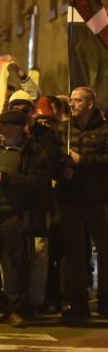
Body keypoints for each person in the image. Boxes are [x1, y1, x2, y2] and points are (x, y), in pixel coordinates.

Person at [0, 110, 51, 327]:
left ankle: (16, 309)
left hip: (15, 215)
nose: (1, 129)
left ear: (18, 128)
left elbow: (39, 182)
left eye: (6, 126)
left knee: (17, 265)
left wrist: (8, 179)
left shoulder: (33, 151)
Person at [59, 87, 108, 323]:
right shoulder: (65, 130)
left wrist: (82, 161)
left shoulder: (105, 129)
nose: (72, 104)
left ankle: (105, 301)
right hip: (72, 198)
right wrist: (63, 169)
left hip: (99, 197)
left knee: (104, 251)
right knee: (75, 253)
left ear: (90, 104)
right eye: (71, 101)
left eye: (77, 100)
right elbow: (53, 157)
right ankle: (78, 304)